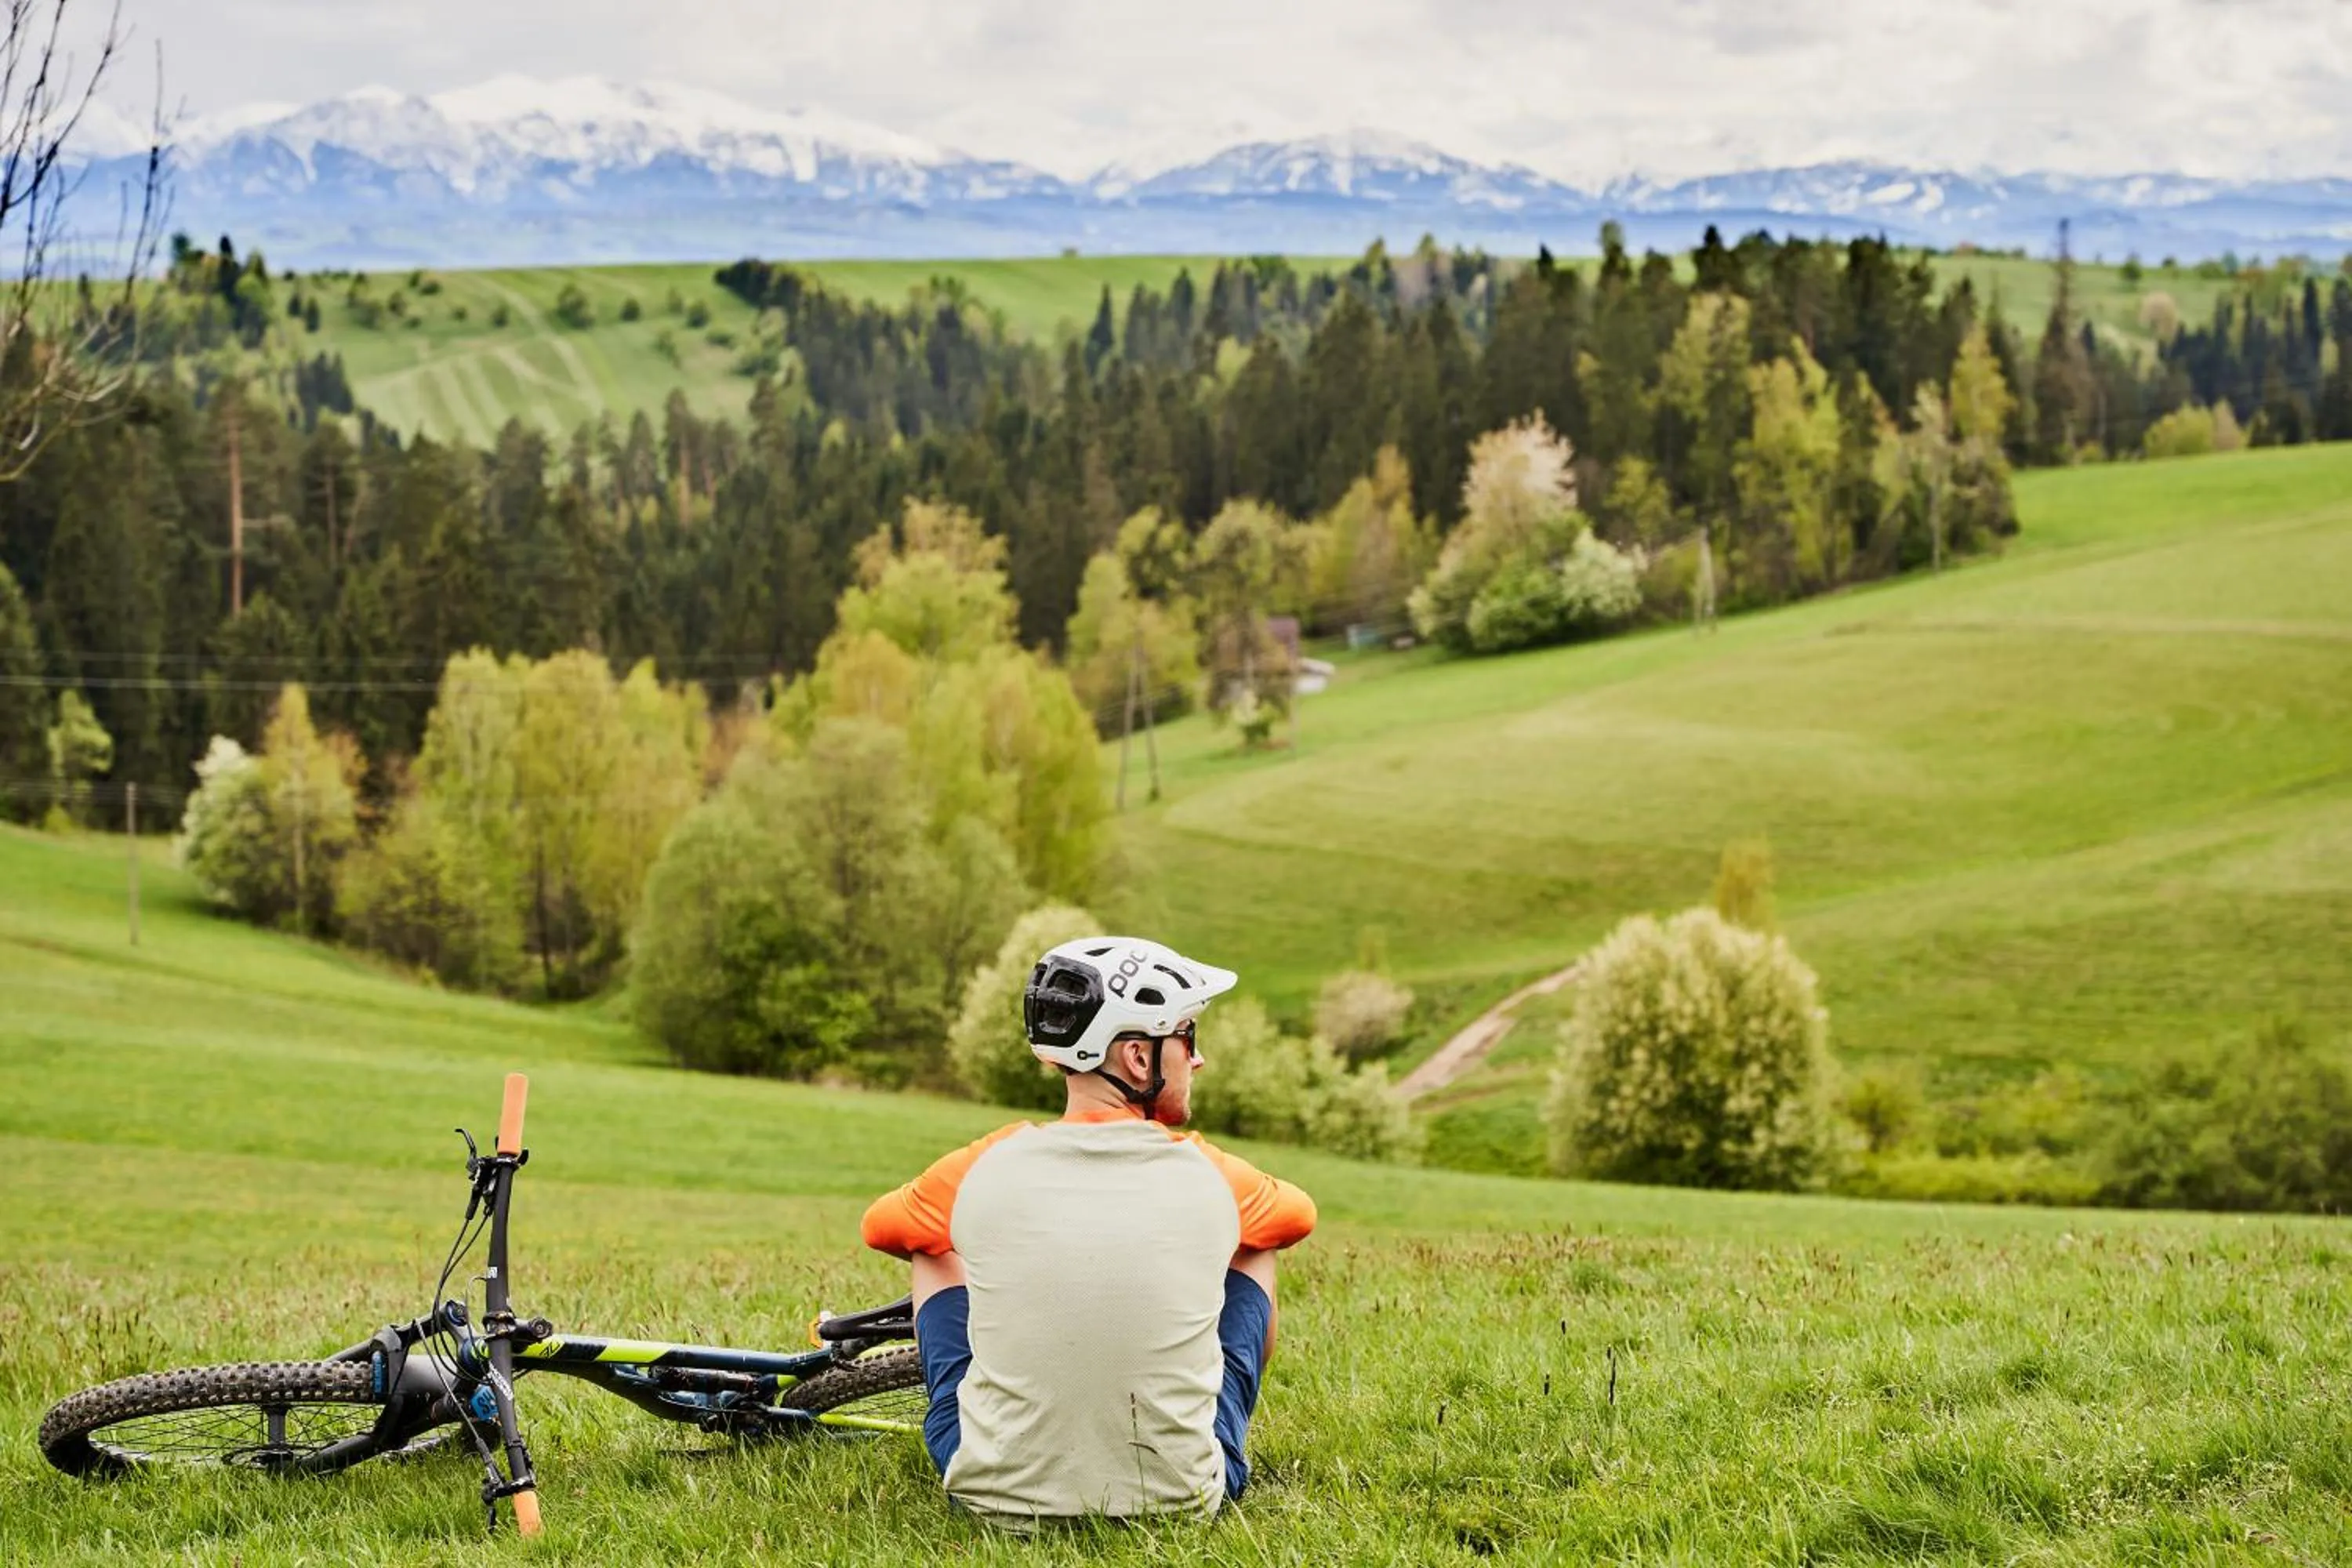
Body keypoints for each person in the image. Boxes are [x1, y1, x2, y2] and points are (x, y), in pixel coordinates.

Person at [862, 936, 1316, 1526]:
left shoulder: (985, 1164)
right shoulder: (1208, 1173)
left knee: (932, 1250)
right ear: (1136, 1057)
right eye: (1186, 1037)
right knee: (1258, 1246)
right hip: (1179, 1504)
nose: (1196, 1058)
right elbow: (1298, 1215)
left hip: (989, 1503)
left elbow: (882, 1227)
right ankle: (1206, 1430)